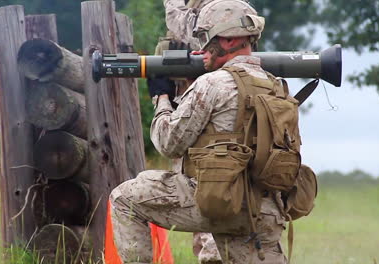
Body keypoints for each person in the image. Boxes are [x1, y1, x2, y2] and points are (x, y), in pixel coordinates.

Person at [110, 0, 288, 263]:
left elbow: (168, 143)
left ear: (227, 40)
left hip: (220, 204)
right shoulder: (275, 84)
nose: (202, 48)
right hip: (265, 209)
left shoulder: (212, 84)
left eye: (205, 38)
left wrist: (161, 97)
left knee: (124, 199)